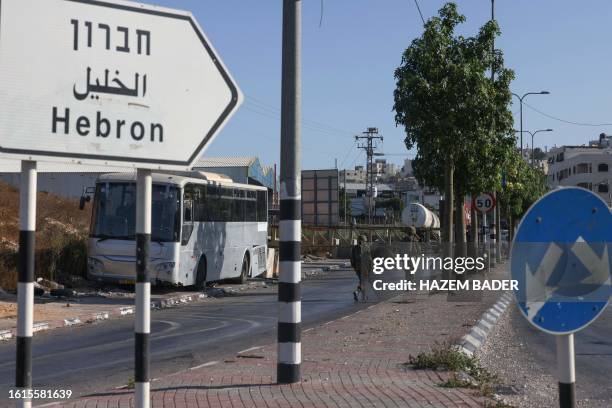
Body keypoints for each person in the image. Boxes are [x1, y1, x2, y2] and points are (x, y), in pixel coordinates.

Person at [350, 235, 371, 302]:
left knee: (362, 281)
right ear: (364, 240)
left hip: (357, 267)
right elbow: (369, 259)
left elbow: (352, 259)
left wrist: (354, 267)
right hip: (365, 267)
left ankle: (364, 295)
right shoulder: (366, 247)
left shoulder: (354, 248)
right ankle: (358, 292)